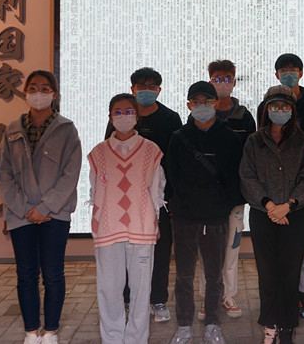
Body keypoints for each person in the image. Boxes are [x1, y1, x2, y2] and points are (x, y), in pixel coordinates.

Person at [0, 70, 82, 344]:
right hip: (21, 215)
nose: (39, 93)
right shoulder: (12, 129)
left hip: (54, 214)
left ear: (54, 94)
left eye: (45, 88)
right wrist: (24, 208)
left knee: (53, 274)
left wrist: (45, 208)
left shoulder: (66, 129)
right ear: (25, 93)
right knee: (26, 275)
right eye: (33, 88)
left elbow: (71, 173)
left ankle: (51, 331)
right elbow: (3, 173)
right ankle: (31, 331)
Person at [240, 85, 304, 344]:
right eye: (274, 106)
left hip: (293, 214)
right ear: (266, 109)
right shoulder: (254, 141)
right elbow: (247, 177)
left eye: (285, 106)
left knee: (290, 272)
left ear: (293, 110)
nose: (279, 110)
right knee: (267, 272)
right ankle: (269, 324)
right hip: (262, 213)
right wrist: (269, 206)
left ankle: (287, 325)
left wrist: (288, 205)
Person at [165, 81, 243, 344]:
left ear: (215, 103)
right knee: (184, 275)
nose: (202, 106)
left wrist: (223, 205)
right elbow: (171, 176)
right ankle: (184, 325)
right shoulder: (178, 137)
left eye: (207, 101)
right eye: (196, 102)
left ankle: (212, 323)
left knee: (214, 275)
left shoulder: (229, 137)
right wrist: (179, 204)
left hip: (216, 217)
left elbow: (235, 177)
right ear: (189, 105)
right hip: (185, 217)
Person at [104, 67, 182, 323]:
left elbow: (176, 160)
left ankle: (157, 299)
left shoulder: (170, 118)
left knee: (160, 250)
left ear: (159, 90)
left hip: (159, 199)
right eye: (141, 86)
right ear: (132, 88)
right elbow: (109, 154)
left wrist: (171, 197)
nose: (146, 91)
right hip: (125, 198)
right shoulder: (122, 117)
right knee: (127, 250)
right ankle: (128, 299)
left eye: (151, 87)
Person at [89, 93, 166, 344]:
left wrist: (154, 221)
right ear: (110, 117)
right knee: (109, 289)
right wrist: (97, 222)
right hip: (108, 230)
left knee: (141, 291)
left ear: (137, 116)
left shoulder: (151, 150)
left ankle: (136, 338)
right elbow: (94, 191)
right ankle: (111, 338)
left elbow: (157, 190)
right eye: (118, 112)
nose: (124, 117)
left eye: (129, 112)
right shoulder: (98, 153)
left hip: (141, 228)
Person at [257, 53, 304, 318]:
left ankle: (301, 293)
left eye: (293, 69)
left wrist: (301, 193)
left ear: (301, 72)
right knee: (274, 248)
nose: (288, 73)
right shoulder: (264, 105)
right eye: (283, 69)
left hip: (302, 189)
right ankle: (277, 294)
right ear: (276, 74)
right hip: (271, 191)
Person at [197, 59, 256, 320]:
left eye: (227, 79)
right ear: (210, 81)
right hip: (207, 198)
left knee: (232, 246)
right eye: (217, 79)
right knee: (208, 249)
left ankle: (227, 295)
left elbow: (251, 156)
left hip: (234, 196)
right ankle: (207, 296)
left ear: (234, 81)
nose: (222, 83)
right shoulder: (200, 114)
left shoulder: (244, 116)